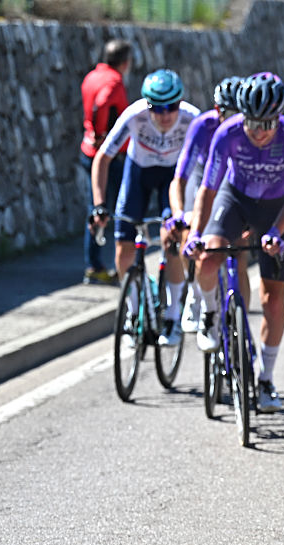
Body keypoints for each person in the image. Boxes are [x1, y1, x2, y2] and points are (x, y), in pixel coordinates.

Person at [184, 72, 284, 413]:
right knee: (208, 256)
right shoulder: (228, 133)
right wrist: (195, 233)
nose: (258, 132)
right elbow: (208, 189)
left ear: (278, 117)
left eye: (266, 124)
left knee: (273, 299)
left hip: (275, 208)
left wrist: (277, 231)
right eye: (252, 122)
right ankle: (210, 314)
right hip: (235, 198)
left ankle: (265, 379)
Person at [89, 69, 200, 347]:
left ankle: (173, 316)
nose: (165, 115)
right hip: (139, 172)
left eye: (171, 107)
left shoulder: (192, 118)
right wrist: (99, 205)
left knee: (170, 238)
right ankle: (132, 311)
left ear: (180, 103)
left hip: (174, 177)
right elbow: (102, 158)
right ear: (147, 105)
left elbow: (211, 162)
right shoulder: (134, 115)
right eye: (157, 108)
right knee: (123, 246)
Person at [169, 75, 242, 333]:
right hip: (203, 177)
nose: (232, 120)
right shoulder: (202, 125)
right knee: (189, 229)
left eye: (238, 114)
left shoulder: (249, 130)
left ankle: (241, 325)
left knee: (239, 250)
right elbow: (180, 178)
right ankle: (194, 290)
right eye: (227, 113)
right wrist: (180, 213)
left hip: (231, 178)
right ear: (216, 110)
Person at [79, 39, 131, 285]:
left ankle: (95, 263)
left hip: (87, 149)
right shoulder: (114, 81)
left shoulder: (92, 76)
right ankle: (98, 265)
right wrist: (102, 134)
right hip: (108, 156)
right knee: (113, 209)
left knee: (96, 206)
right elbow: (101, 104)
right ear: (125, 62)